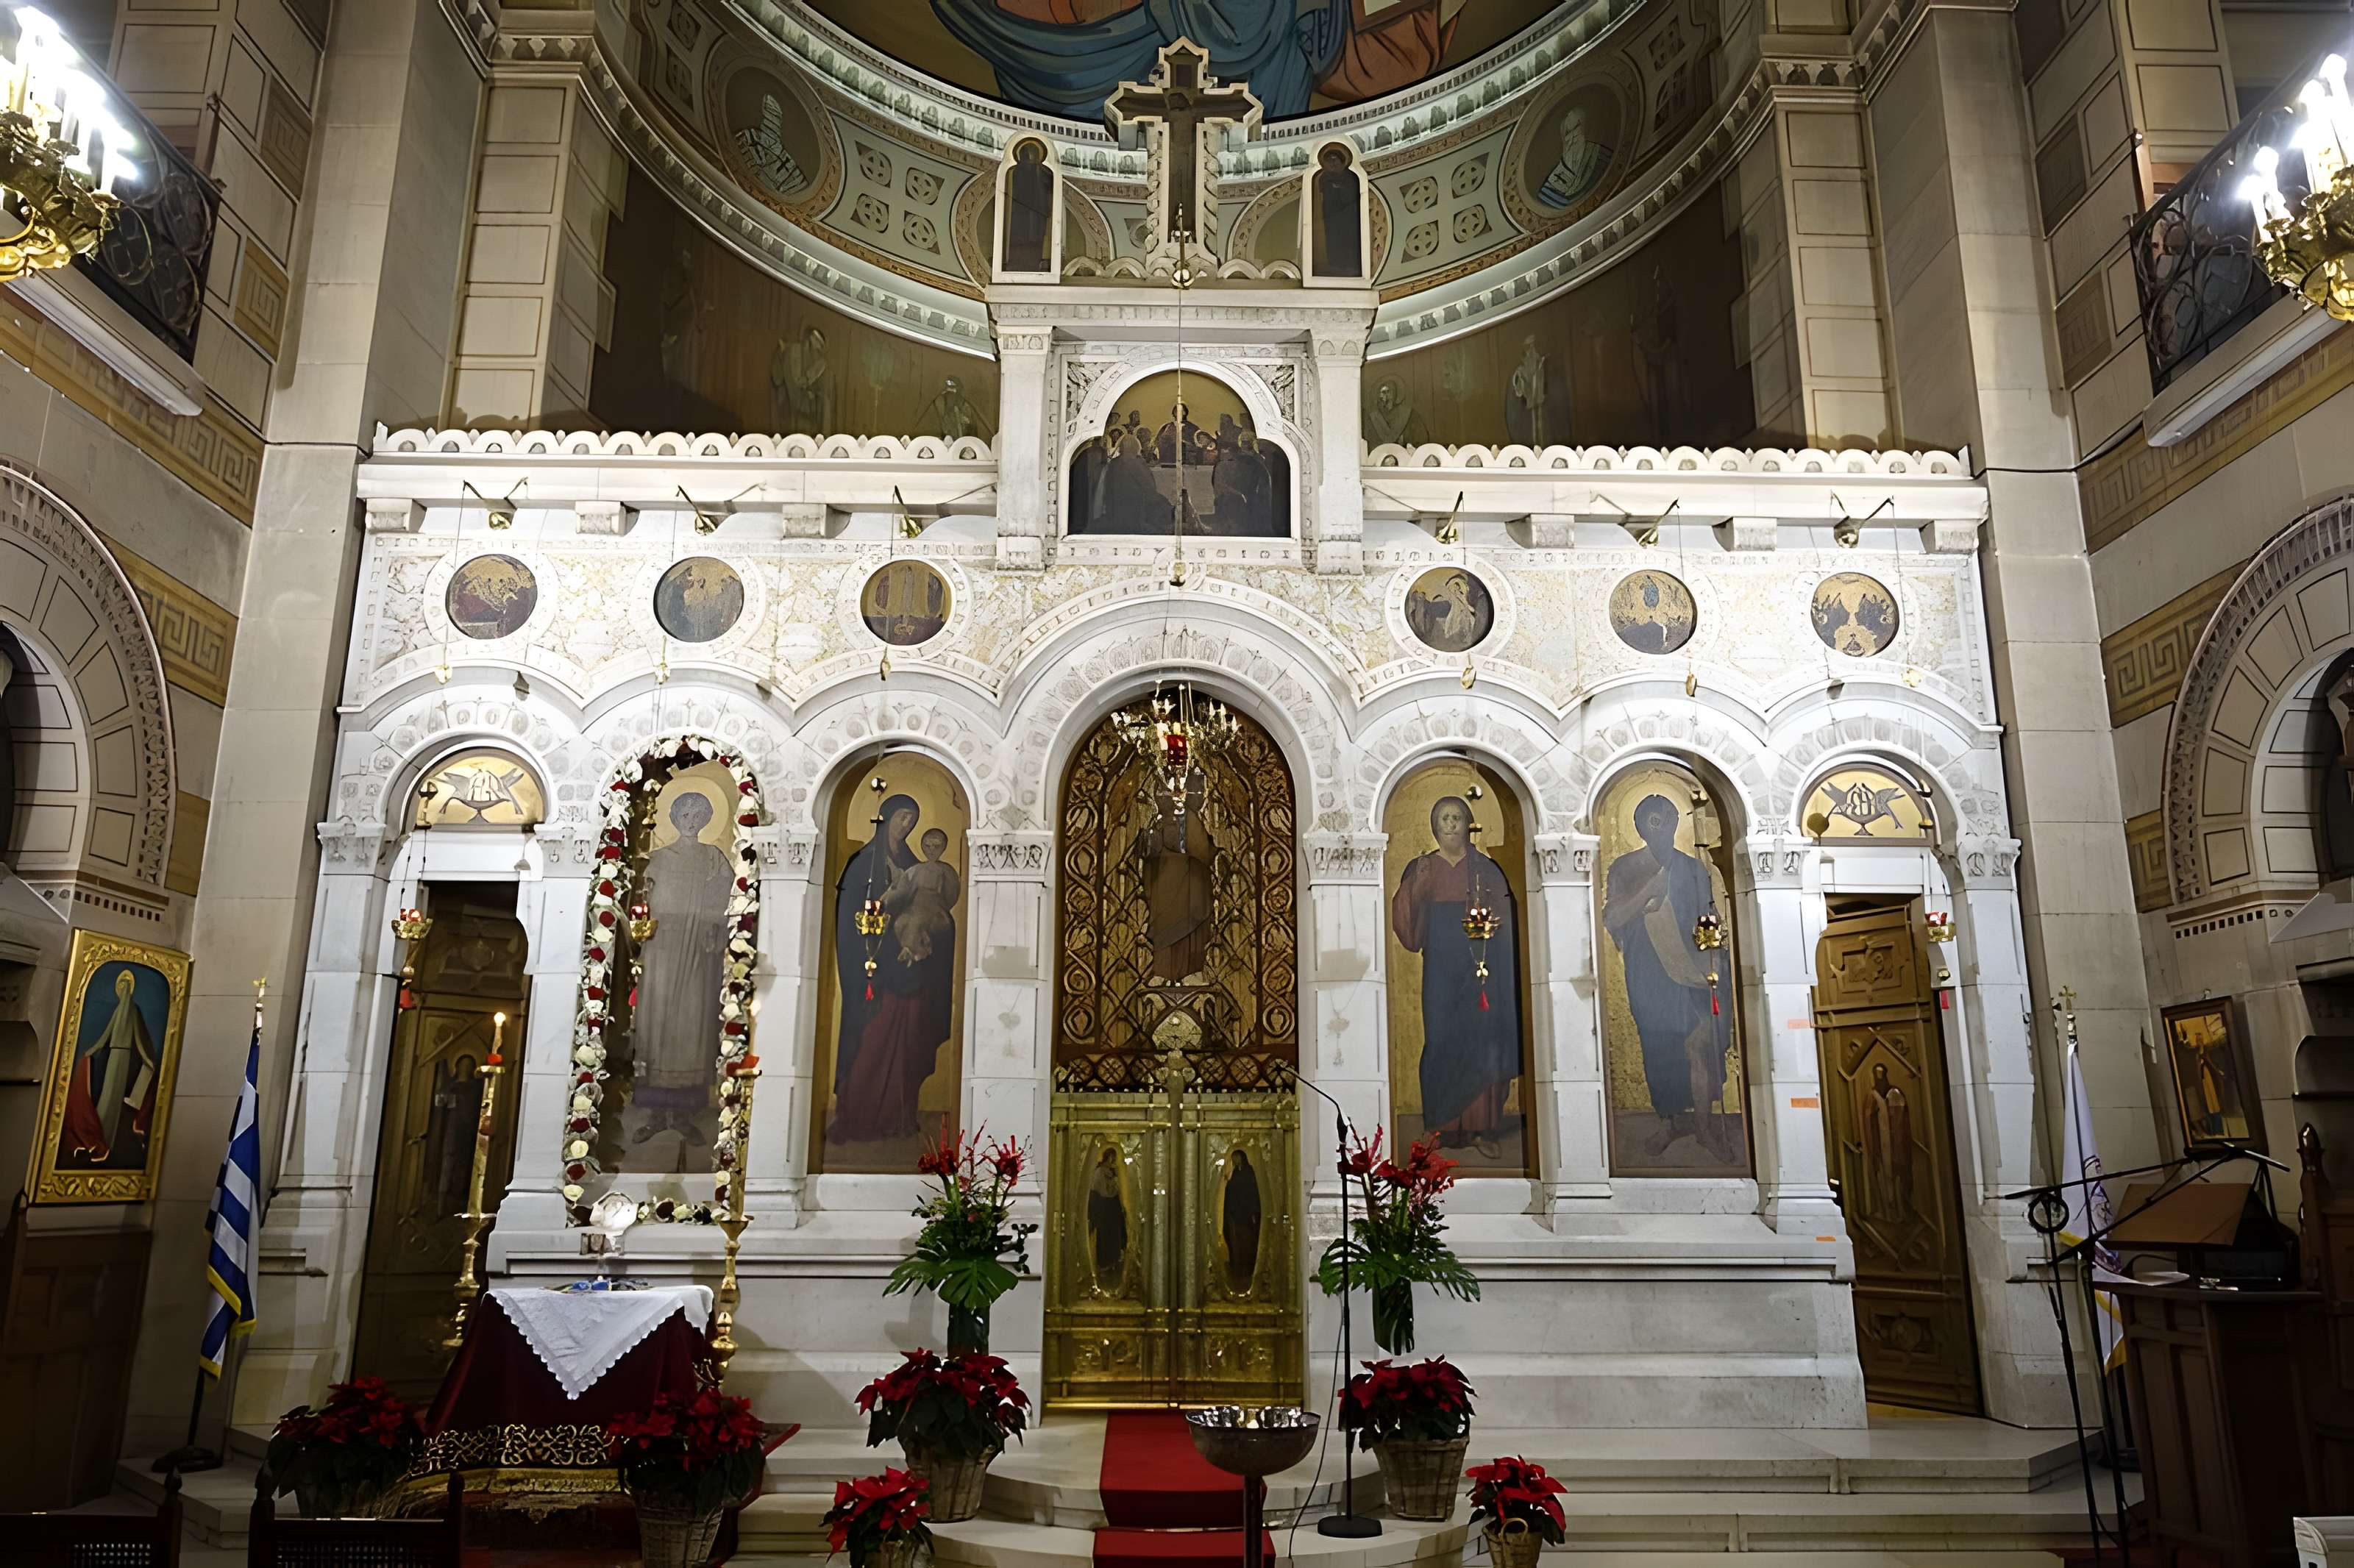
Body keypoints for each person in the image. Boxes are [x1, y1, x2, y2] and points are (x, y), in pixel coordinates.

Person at [1599, 794, 1732, 1157]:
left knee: (1700, 1047)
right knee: (1659, 1047)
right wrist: (1649, 888)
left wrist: (1713, 960)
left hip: (1694, 971)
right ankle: (1668, 1121)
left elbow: (1708, 920)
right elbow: (1613, 918)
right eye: (1651, 822)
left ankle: (1704, 1127)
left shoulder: (1693, 868)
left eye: (1667, 820)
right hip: (1649, 972)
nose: (1660, 828)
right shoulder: (1625, 868)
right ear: (1640, 828)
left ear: (1676, 824)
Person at [1390, 795, 1521, 1156]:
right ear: (1435, 826)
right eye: (1444, 818)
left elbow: (1509, 915)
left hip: (1482, 965)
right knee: (1442, 1039)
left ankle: (1484, 1130)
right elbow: (1406, 920)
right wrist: (1417, 883)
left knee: (1483, 1041)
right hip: (1441, 968)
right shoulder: (1424, 867)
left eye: (1457, 818)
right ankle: (1441, 1125)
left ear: (1468, 824)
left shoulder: (1486, 869)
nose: (1450, 825)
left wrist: (1492, 924)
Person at [831, 794, 959, 1143]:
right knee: (871, 1039)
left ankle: (898, 1116)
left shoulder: (915, 864)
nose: (908, 826)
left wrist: (927, 936)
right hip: (873, 968)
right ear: (886, 817)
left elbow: (936, 904)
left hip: (909, 969)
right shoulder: (864, 863)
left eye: (913, 820)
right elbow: (851, 916)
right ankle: (857, 1116)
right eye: (903, 817)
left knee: (908, 1042)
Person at [630, 790, 735, 1155]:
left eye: (699, 812)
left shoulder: (714, 859)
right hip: (660, 952)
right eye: (685, 812)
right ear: (673, 817)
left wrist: (711, 929)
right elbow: (641, 905)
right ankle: (656, 1113)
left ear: (708, 819)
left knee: (691, 1026)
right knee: (657, 1025)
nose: (691, 818)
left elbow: (725, 902)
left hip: (696, 956)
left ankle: (687, 1113)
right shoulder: (656, 860)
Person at [60, 968, 159, 1167]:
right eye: (121, 986)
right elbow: (107, 1033)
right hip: (113, 1055)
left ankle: (110, 1137)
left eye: (125, 986)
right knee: (107, 1098)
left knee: (116, 1100)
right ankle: (103, 1131)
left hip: (125, 1057)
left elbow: (139, 1038)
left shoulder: (133, 1010)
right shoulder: (119, 1010)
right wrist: (92, 1050)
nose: (123, 989)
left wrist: (148, 1060)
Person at [886, 827, 961, 965]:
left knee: (917, 922)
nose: (931, 850)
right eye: (927, 846)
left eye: (936, 846)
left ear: (943, 847)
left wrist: (938, 906)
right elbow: (903, 889)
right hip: (914, 906)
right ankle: (910, 950)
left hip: (934, 907)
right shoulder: (916, 870)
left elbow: (952, 892)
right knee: (899, 923)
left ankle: (914, 951)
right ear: (922, 846)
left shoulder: (946, 870)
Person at [1536, 104, 1611, 210]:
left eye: (1575, 132)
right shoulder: (1557, 175)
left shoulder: (1599, 155)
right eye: (1567, 134)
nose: (1571, 139)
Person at [1004, 138, 1055, 272]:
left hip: (1033, 208)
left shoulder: (1041, 170)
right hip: (1023, 208)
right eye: (1027, 154)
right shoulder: (1017, 171)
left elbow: (1049, 186)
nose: (1029, 157)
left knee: (1034, 235)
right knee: (1024, 234)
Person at [1313, 143, 1363, 275]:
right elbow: (1323, 194)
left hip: (1348, 215)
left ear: (1343, 161)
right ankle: (1335, 264)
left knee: (1348, 240)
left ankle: (1349, 265)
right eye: (1330, 161)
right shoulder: (1324, 177)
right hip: (1331, 216)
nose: (1333, 164)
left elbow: (1353, 193)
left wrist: (1341, 187)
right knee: (1333, 239)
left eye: (1335, 160)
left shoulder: (1350, 177)